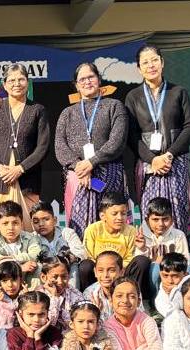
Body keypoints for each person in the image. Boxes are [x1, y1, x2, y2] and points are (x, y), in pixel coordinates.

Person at [54, 62, 130, 236]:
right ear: (76, 85)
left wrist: (92, 162)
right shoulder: (67, 113)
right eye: (82, 79)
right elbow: (60, 146)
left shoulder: (114, 106)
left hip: (108, 176)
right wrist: (79, 167)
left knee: (112, 225)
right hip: (78, 177)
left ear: (99, 79)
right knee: (80, 230)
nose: (87, 82)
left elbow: (117, 141)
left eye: (91, 77)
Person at [127, 45, 190, 228]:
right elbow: (131, 136)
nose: (151, 65)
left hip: (175, 161)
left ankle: (178, 246)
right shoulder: (133, 97)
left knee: (177, 211)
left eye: (154, 60)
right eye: (145, 62)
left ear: (162, 62)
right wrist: (153, 160)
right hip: (149, 165)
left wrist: (168, 155)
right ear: (139, 68)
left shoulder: (178, 92)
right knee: (151, 213)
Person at [0, 63, 50, 224]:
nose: (16, 84)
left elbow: (43, 147)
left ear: (27, 82)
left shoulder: (37, 110)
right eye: (11, 80)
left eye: (21, 79)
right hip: (2, 179)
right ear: (4, 84)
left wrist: (20, 168)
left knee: (29, 228)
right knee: (3, 227)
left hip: (28, 180)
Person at [80, 192, 152, 296]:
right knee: (85, 265)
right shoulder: (93, 229)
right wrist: (106, 268)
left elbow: (130, 258)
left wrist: (116, 269)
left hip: (122, 271)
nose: (120, 218)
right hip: (100, 272)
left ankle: (134, 295)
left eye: (123, 213)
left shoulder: (131, 231)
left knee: (142, 261)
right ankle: (90, 297)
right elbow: (89, 255)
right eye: (114, 214)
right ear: (103, 216)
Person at [0, 200, 43, 288]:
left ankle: (33, 294)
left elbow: (36, 254)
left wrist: (14, 259)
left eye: (15, 223)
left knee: (38, 267)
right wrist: (19, 267)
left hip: (25, 275)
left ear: (21, 223)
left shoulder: (29, 237)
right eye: (5, 223)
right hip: (5, 275)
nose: (10, 228)